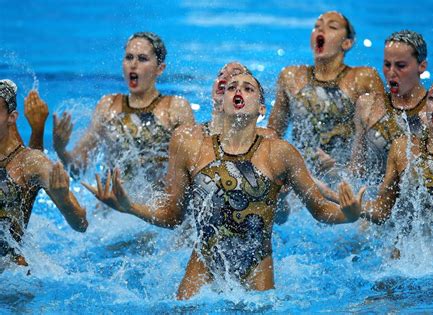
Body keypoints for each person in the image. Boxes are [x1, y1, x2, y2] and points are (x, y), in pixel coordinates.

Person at [84, 71, 365, 299]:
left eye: (248, 87)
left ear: (262, 109)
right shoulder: (192, 149)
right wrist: (129, 207)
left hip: (257, 269)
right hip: (203, 265)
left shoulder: (280, 153)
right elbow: (172, 216)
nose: (237, 90)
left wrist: (349, 215)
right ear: (222, 101)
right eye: (231, 87)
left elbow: (318, 209)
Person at [52, 32, 194, 195]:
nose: (133, 64)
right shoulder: (108, 107)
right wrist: (61, 149)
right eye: (129, 57)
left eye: (142, 58)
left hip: (154, 211)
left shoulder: (174, 108)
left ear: (160, 68)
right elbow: (78, 171)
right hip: (111, 210)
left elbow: (191, 170)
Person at [356, 78, 433, 261]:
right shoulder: (402, 149)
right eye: (431, 98)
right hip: (400, 265)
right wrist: (354, 207)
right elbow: (382, 211)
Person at [268, 11, 385, 177]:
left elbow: (381, 139)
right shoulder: (291, 77)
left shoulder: (363, 79)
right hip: (302, 175)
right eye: (317, 26)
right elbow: (274, 133)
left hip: (347, 176)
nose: (320, 30)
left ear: (347, 43)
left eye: (332, 27)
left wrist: (342, 169)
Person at [0, 79, 88, 268]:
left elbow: (81, 224)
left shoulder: (33, 163)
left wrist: (63, 199)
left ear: (12, 117)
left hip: (12, 280)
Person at [351, 30, 429, 180]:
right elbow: (356, 170)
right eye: (387, 64)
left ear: (422, 66)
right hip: (374, 197)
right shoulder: (367, 105)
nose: (391, 72)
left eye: (400, 66)